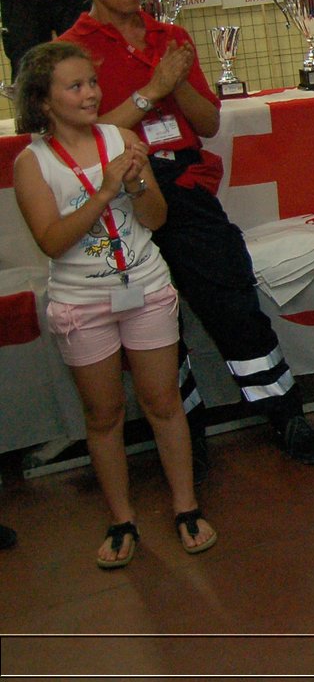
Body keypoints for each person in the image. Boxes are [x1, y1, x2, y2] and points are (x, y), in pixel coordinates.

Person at [59, 0, 314, 467]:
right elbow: (85, 141)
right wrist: (154, 90)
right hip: (119, 201)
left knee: (232, 301)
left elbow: (206, 122)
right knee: (151, 323)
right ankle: (184, 440)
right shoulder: (71, 50)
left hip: (184, 185)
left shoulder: (172, 37)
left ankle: (286, 415)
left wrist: (177, 80)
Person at [11, 41, 217, 568]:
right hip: (83, 301)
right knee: (103, 415)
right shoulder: (31, 164)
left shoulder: (122, 137)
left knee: (164, 402)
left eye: (92, 83)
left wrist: (139, 182)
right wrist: (104, 192)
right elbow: (52, 242)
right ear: (43, 101)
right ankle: (122, 518)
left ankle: (185, 506)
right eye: (75, 86)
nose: (91, 94)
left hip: (144, 286)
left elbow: (155, 219)